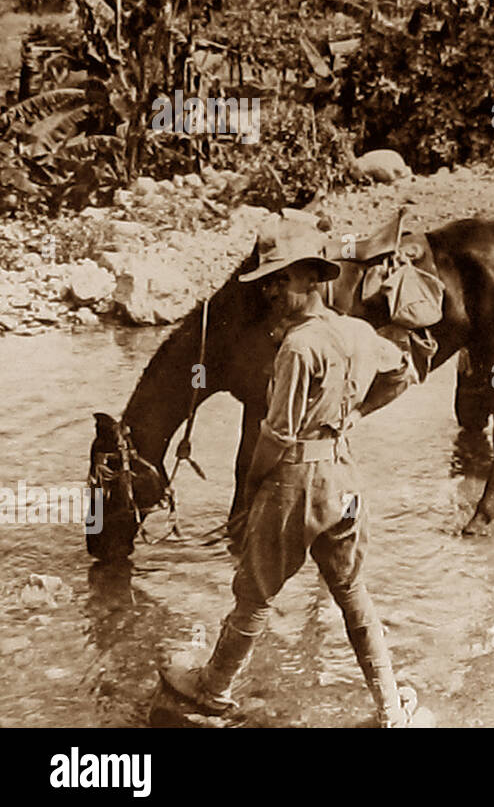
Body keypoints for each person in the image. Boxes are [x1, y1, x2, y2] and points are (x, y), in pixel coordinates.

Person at [160, 222, 431, 727]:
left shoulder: (298, 348)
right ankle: (391, 707)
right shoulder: (360, 332)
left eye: (278, 281)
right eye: (268, 282)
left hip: (298, 483)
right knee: (352, 592)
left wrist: (252, 492)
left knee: (254, 594)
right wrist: (355, 415)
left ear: (309, 279)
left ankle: (213, 688)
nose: (270, 291)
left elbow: (278, 433)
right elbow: (403, 374)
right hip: (346, 482)